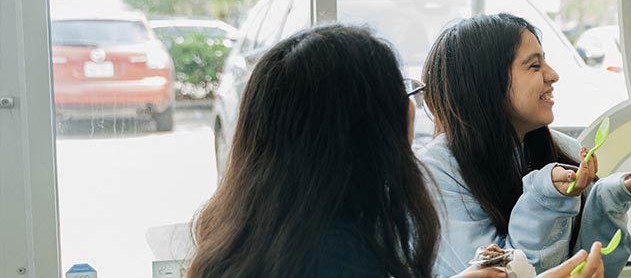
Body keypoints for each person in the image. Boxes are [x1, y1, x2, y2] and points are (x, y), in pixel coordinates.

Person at [186, 24, 605, 278]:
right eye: (401, 92)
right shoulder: (339, 255)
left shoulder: (262, 237)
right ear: (358, 128)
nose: (414, 107)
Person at [418, 13, 631, 278]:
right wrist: (546, 197)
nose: (553, 75)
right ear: (485, 82)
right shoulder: (436, 171)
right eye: (534, 66)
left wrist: (608, 198)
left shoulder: (561, 149)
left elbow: (594, 271)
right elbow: (503, 274)